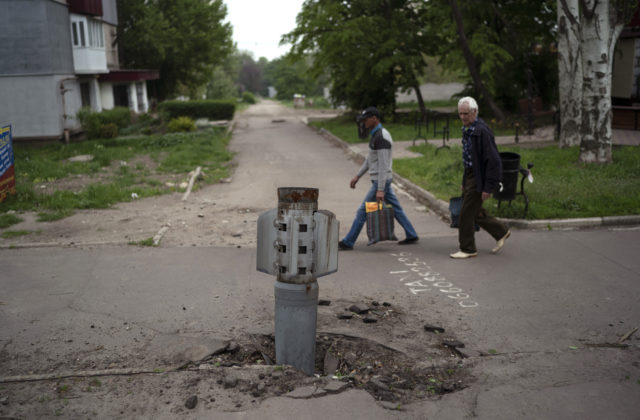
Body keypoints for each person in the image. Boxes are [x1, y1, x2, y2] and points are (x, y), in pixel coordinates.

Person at [338, 106, 419, 250]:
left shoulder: (382, 137)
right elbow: (370, 160)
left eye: (366, 120)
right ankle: (411, 234)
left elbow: (383, 166)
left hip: (382, 181)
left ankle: (348, 242)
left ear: (374, 118)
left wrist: (380, 189)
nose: (364, 123)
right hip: (381, 180)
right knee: (396, 208)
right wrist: (358, 175)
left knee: (362, 211)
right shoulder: (375, 135)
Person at [450, 97, 510, 259]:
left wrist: (488, 187)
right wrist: (464, 181)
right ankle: (501, 231)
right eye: (460, 114)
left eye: (466, 114)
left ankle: (468, 249)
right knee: (475, 212)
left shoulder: (482, 131)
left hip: (480, 177)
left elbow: (494, 161)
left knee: (465, 215)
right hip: (471, 175)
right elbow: (468, 158)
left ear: (475, 112)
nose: (463, 117)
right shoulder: (468, 129)